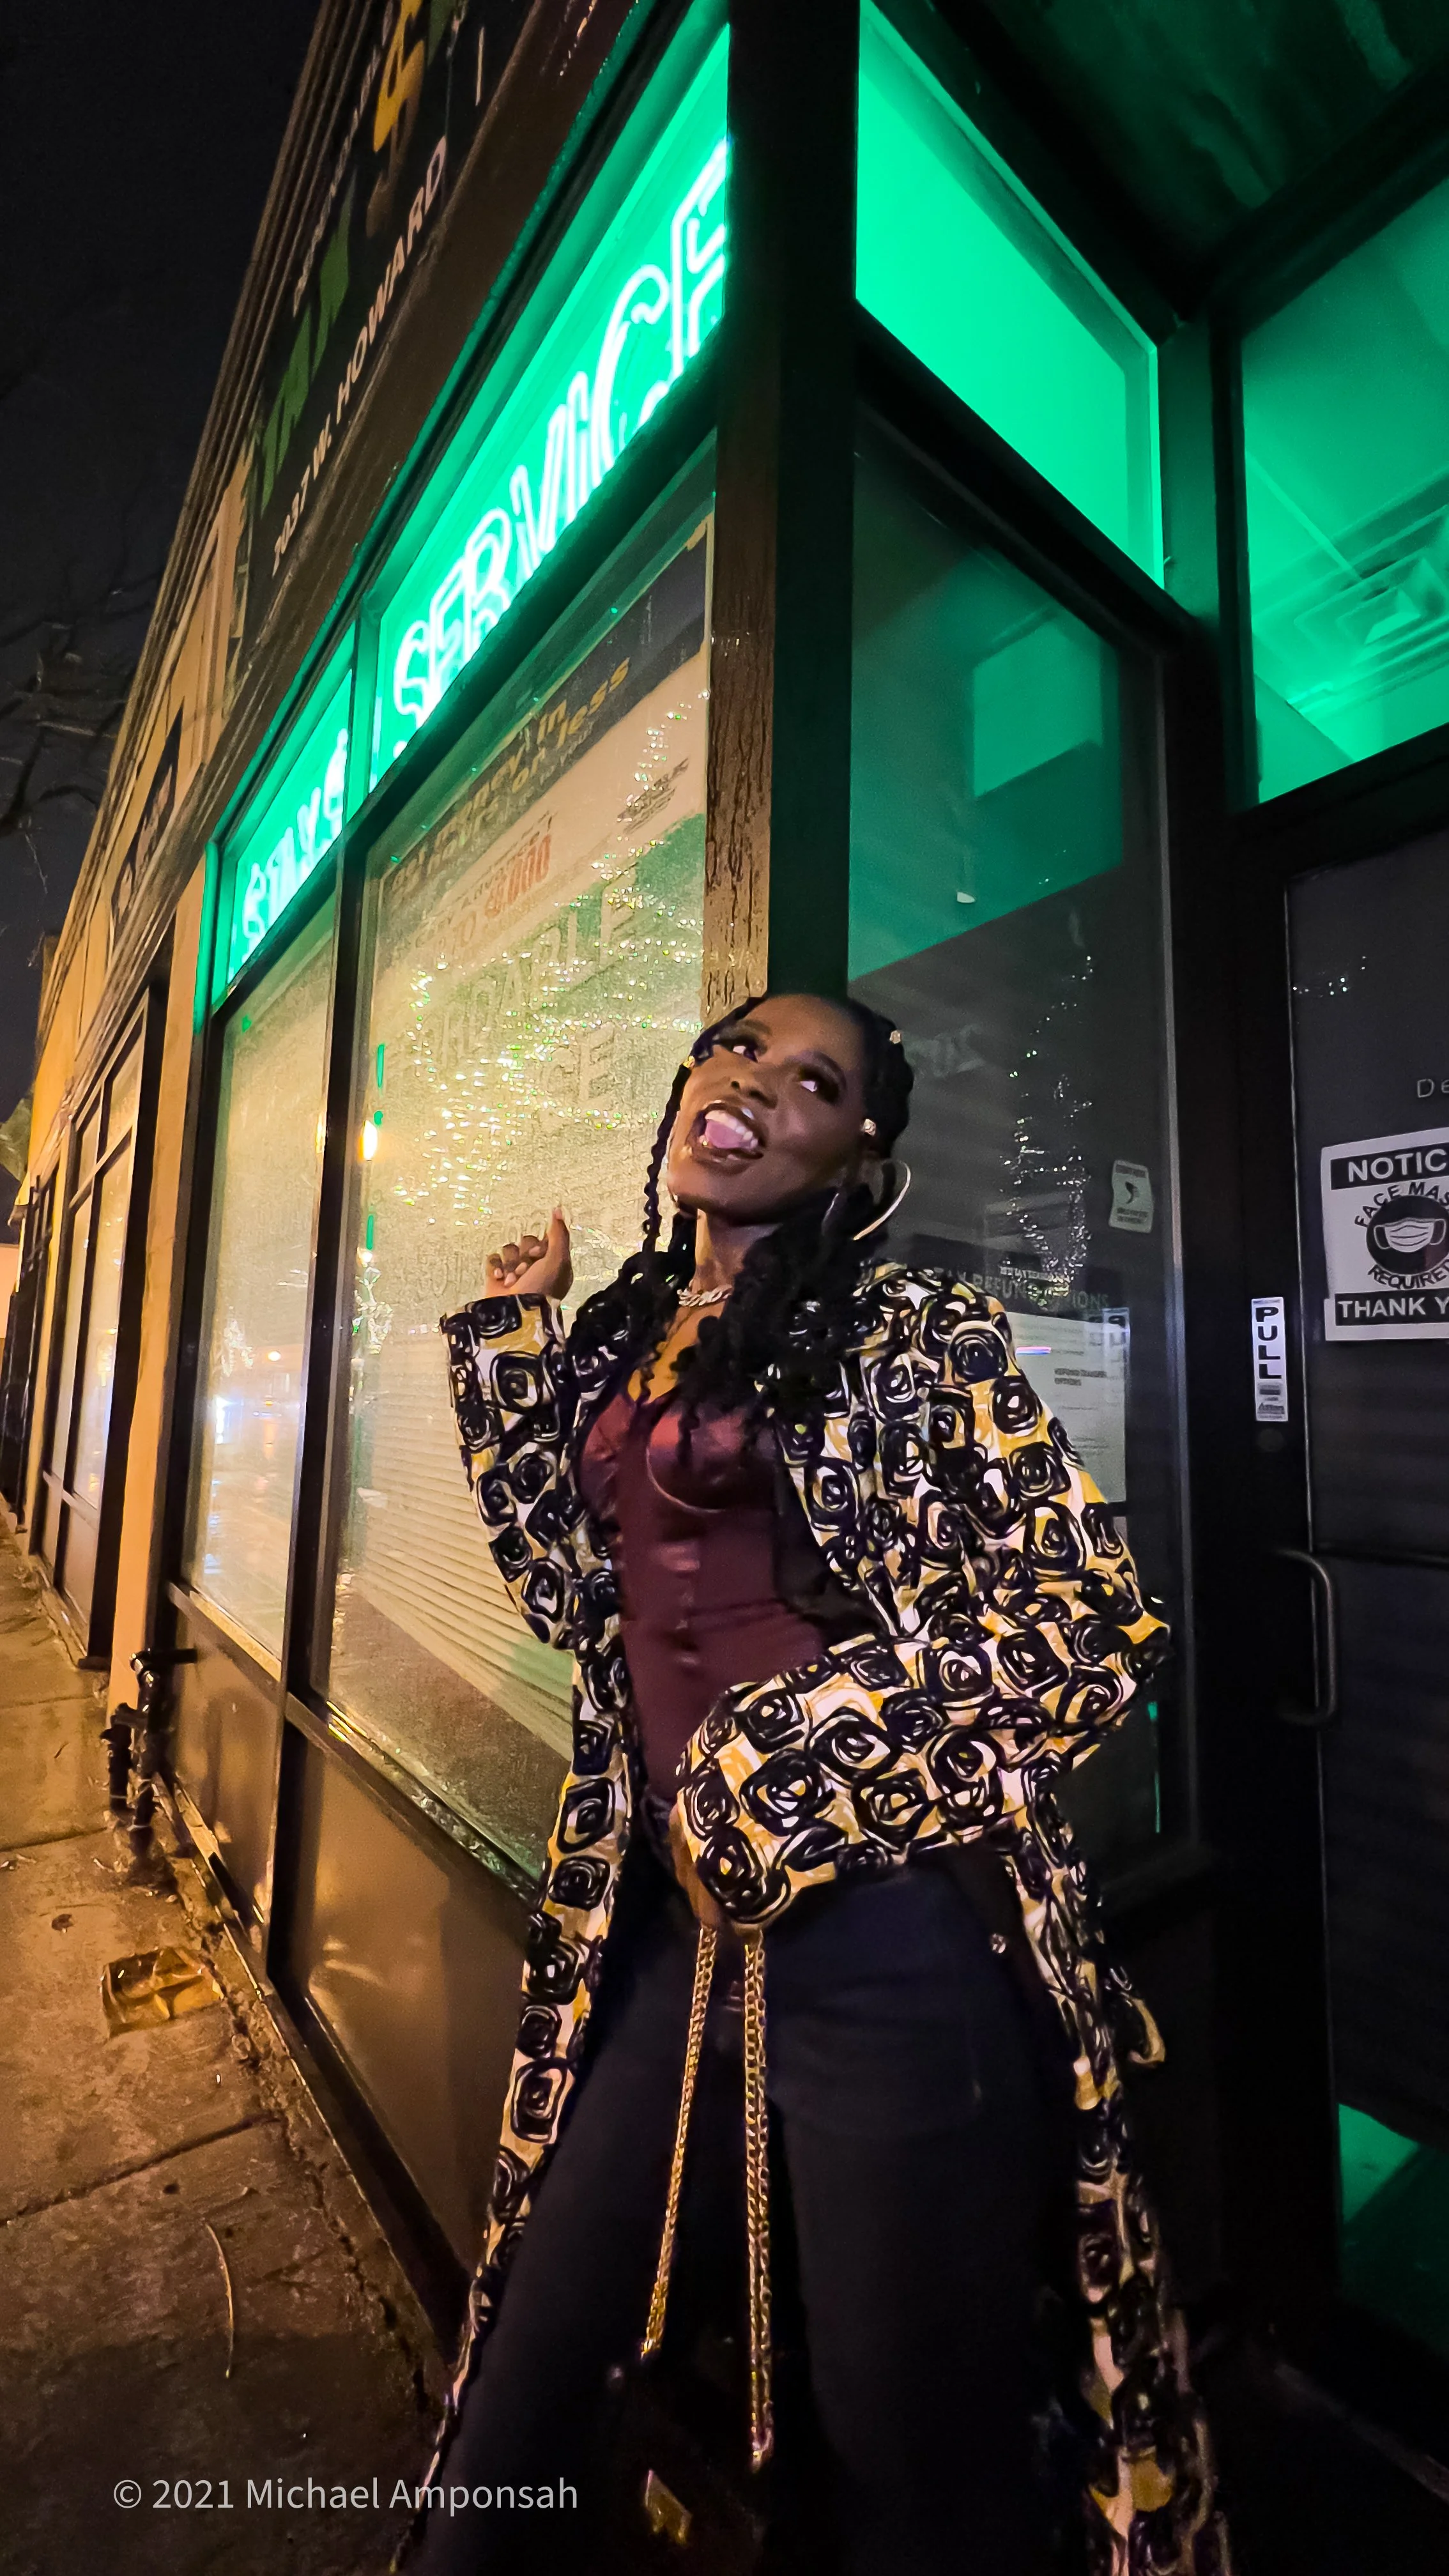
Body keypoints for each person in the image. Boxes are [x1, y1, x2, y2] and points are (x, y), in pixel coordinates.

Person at [411, 991, 1225, 2575]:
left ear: (861, 1152)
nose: (752, 1087)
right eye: (734, 1051)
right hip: (659, 1943)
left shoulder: (917, 1332)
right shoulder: (624, 1338)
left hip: (896, 1958)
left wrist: (779, 1763)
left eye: (813, 1081)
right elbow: (573, 1598)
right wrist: (514, 1341)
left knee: (913, 2455)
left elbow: (1085, 1623)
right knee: (526, 2381)